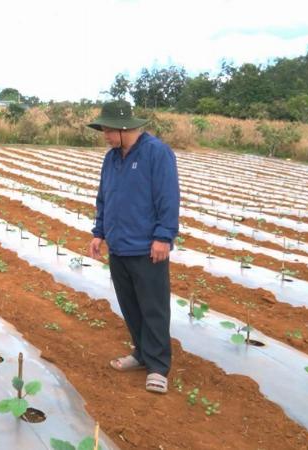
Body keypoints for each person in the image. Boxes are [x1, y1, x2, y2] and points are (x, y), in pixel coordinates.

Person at [87, 100, 180, 394]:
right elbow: (105, 197)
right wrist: (99, 232)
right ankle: (141, 353)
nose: (105, 135)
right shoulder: (111, 158)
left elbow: (168, 197)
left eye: (108, 130)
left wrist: (164, 237)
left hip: (147, 246)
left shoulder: (157, 154)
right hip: (119, 245)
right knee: (130, 306)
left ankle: (158, 367)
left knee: (153, 307)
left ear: (125, 128)